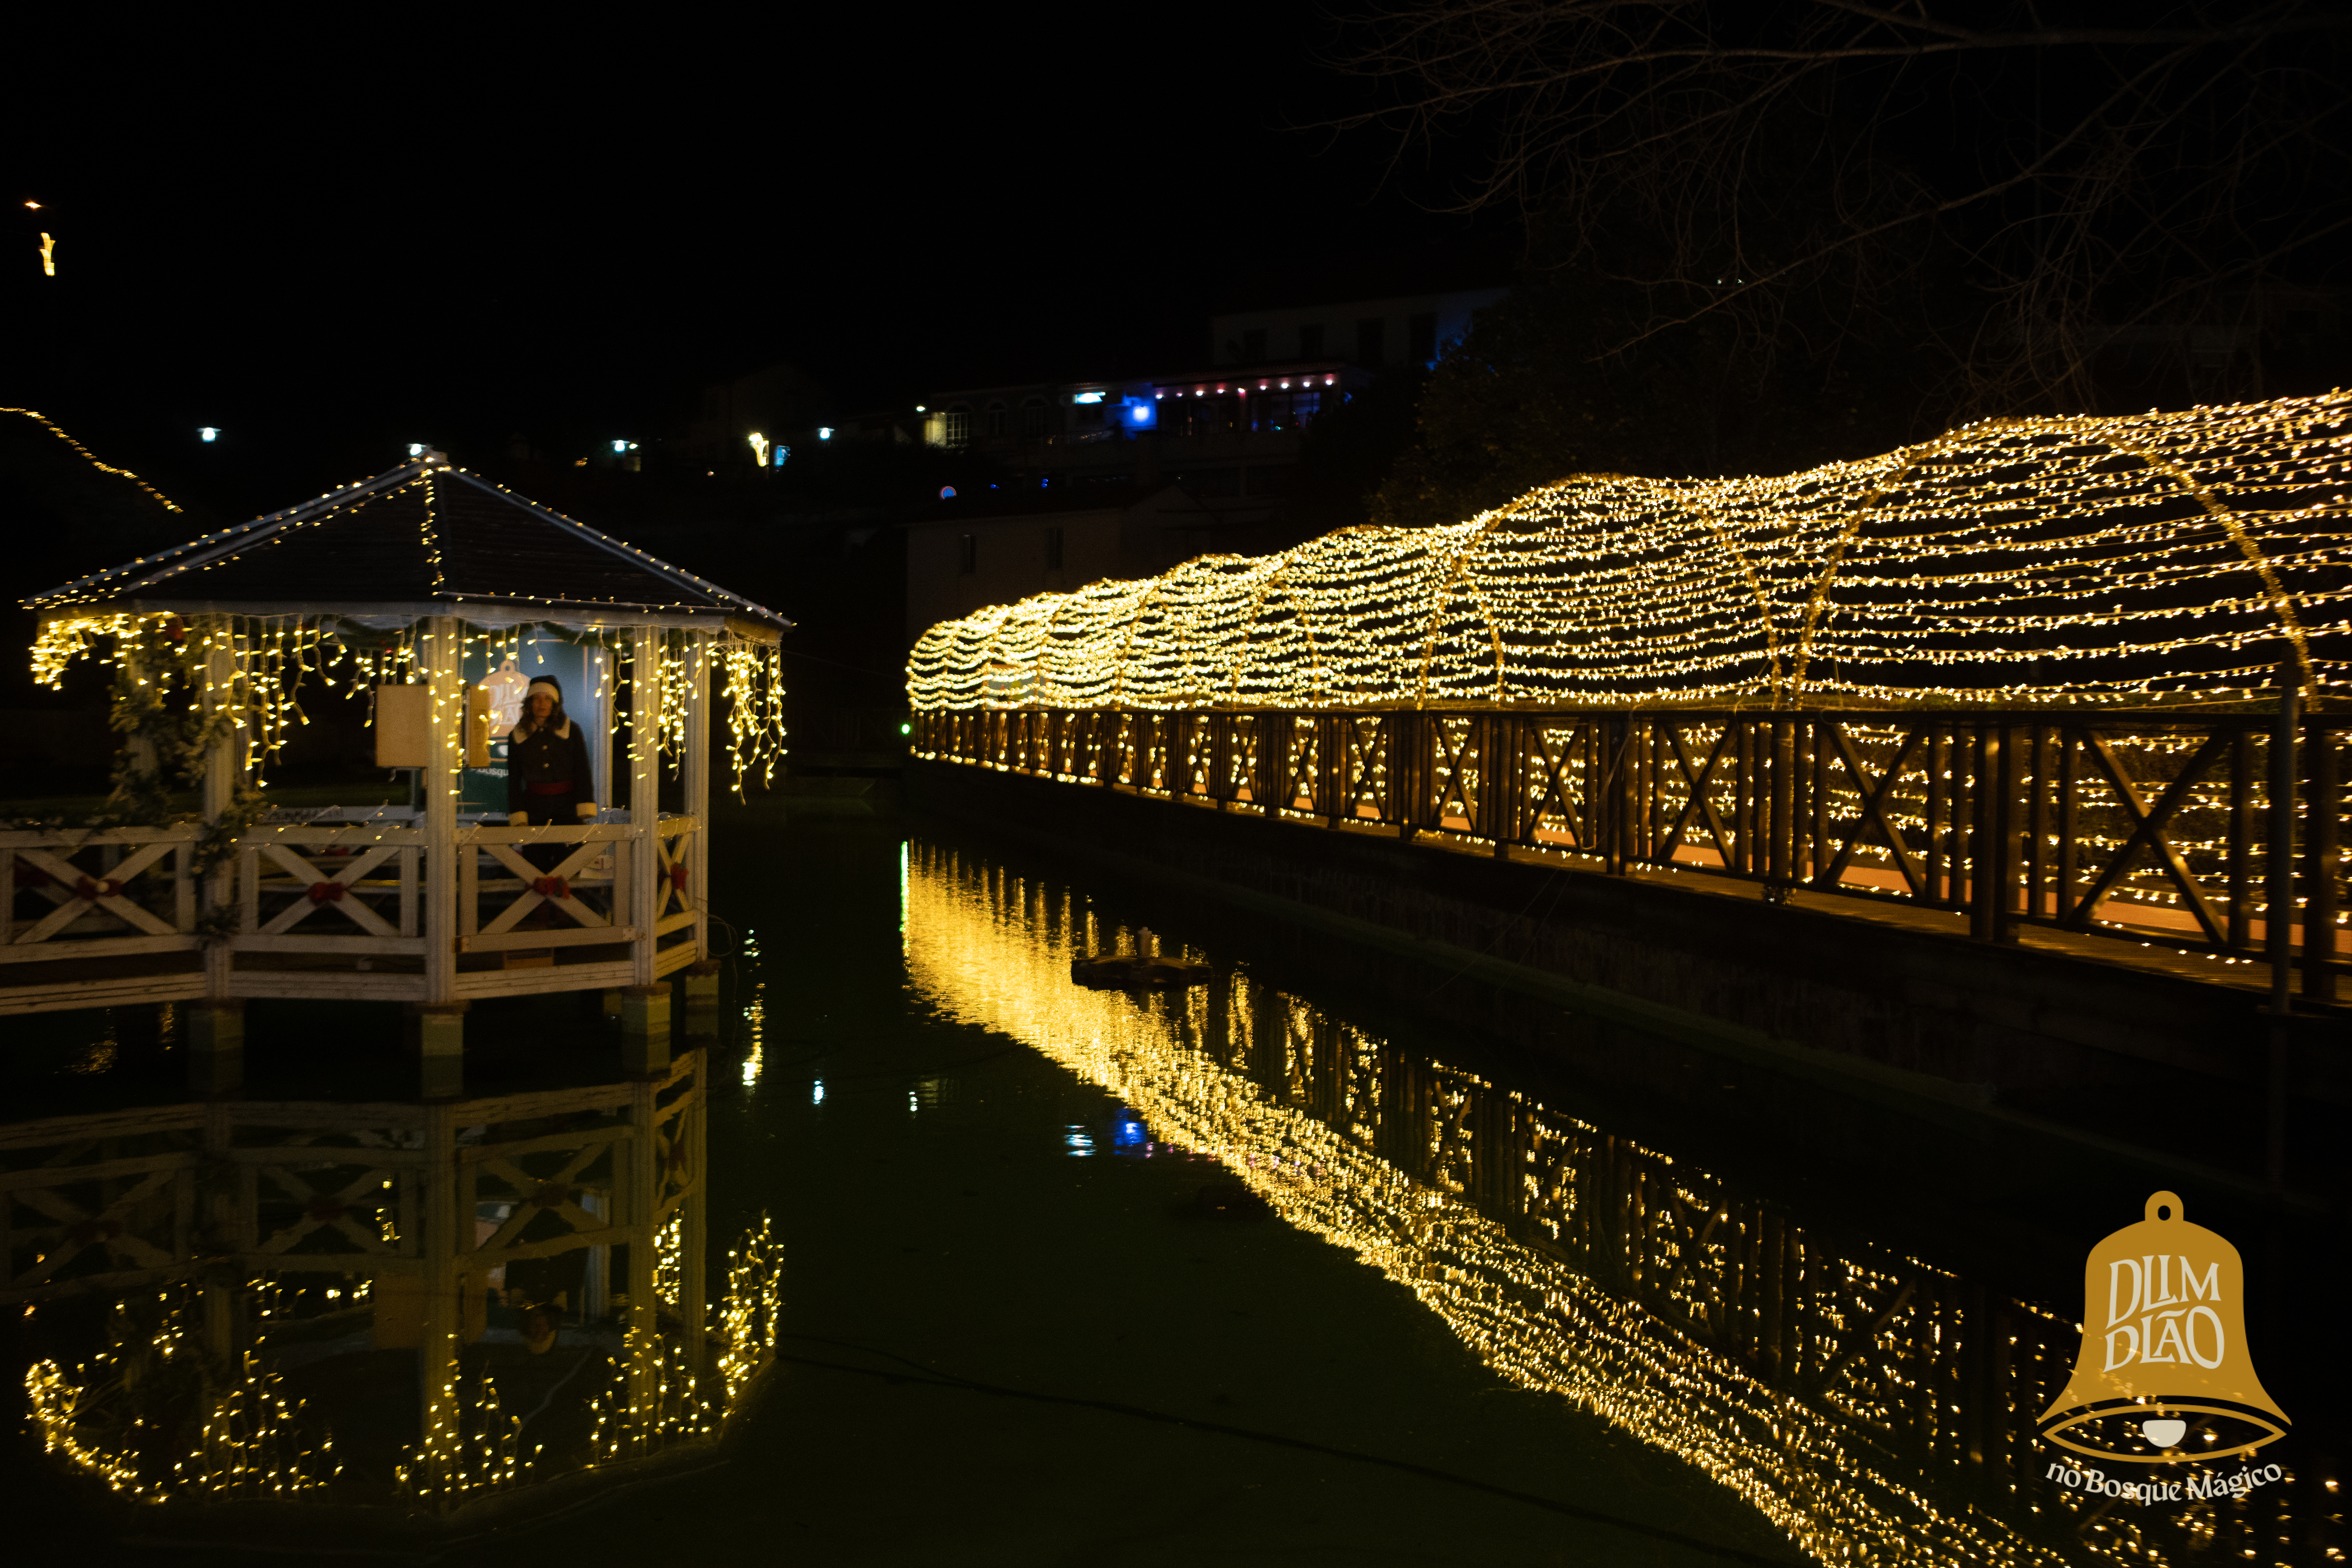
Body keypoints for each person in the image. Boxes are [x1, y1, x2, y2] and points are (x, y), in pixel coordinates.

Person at [506, 677, 597, 873]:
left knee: (570, 866)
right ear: (529, 703)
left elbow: (583, 770)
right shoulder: (517, 735)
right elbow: (514, 780)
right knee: (535, 868)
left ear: (555, 703)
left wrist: (585, 804)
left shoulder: (571, 731)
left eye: (547, 698)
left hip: (568, 808)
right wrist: (519, 814)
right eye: (537, 698)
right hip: (535, 809)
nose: (542, 704)